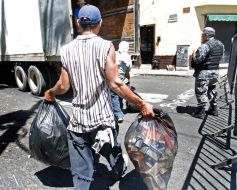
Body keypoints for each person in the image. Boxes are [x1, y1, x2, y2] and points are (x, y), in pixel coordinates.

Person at [44, 4, 155, 190]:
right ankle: (118, 168)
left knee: (80, 171)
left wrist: (50, 92)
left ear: (78, 23)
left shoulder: (66, 50)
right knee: (110, 148)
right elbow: (115, 84)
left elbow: (63, 86)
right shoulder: (106, 47)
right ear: (100, 23)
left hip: (78, 122)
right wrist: (141, 102)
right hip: (102, 120)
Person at [191, 27, 224, 119]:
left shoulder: (205, 46)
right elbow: (221, 57)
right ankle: (214, 109)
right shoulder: (221, 44)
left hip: (204, 73)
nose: (201, 37)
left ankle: (201, 112)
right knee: (211, 90)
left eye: (202, 35)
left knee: (201, 91)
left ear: (206, 35)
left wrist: (193, 56)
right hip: (215, 72)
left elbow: (198, 60)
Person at [110, 41, 132, 123]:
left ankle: (118, 114)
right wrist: (128, 81)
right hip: (122, 80)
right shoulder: (127, 58)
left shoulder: (114, 55)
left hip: (113, 79)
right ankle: (120, 111)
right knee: (120, 96)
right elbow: (127, 72)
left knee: (114, 96)